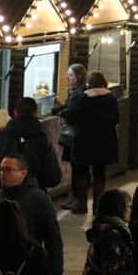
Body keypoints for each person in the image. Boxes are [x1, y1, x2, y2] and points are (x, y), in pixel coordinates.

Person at [0, 154, 64, 275]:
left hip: (27, 264)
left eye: (8, 170)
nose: (3, 173)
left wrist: (55, 270)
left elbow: (52, 234)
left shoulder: (38, 198)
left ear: (23, 173)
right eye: (1, 170)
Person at [62, 71, 120, 214]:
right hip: (105, 141)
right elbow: (117, 118)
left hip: (84, 141)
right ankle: (98, 205)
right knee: (100, 173)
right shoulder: (111, 98)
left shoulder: (83, 98)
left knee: (81, 172)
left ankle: (81, 204)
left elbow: (71, 115)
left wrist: (61, 112)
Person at [0, 97, 61, 196]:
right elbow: (53, 177)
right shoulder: (42, 140)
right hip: (34, 198)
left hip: (4, 197)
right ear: (35, 113)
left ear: (15, 113)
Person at [55, 63, 88, 206]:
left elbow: (73, 111)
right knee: (78, 168)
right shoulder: (77, 92)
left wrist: (61, 111)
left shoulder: (79, 93)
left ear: (78, 77)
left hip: (75, 136)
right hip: (77, 136)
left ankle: (79, 200)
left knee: (78, 169)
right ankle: (78, 198)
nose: (67, 78)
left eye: (70, 75)